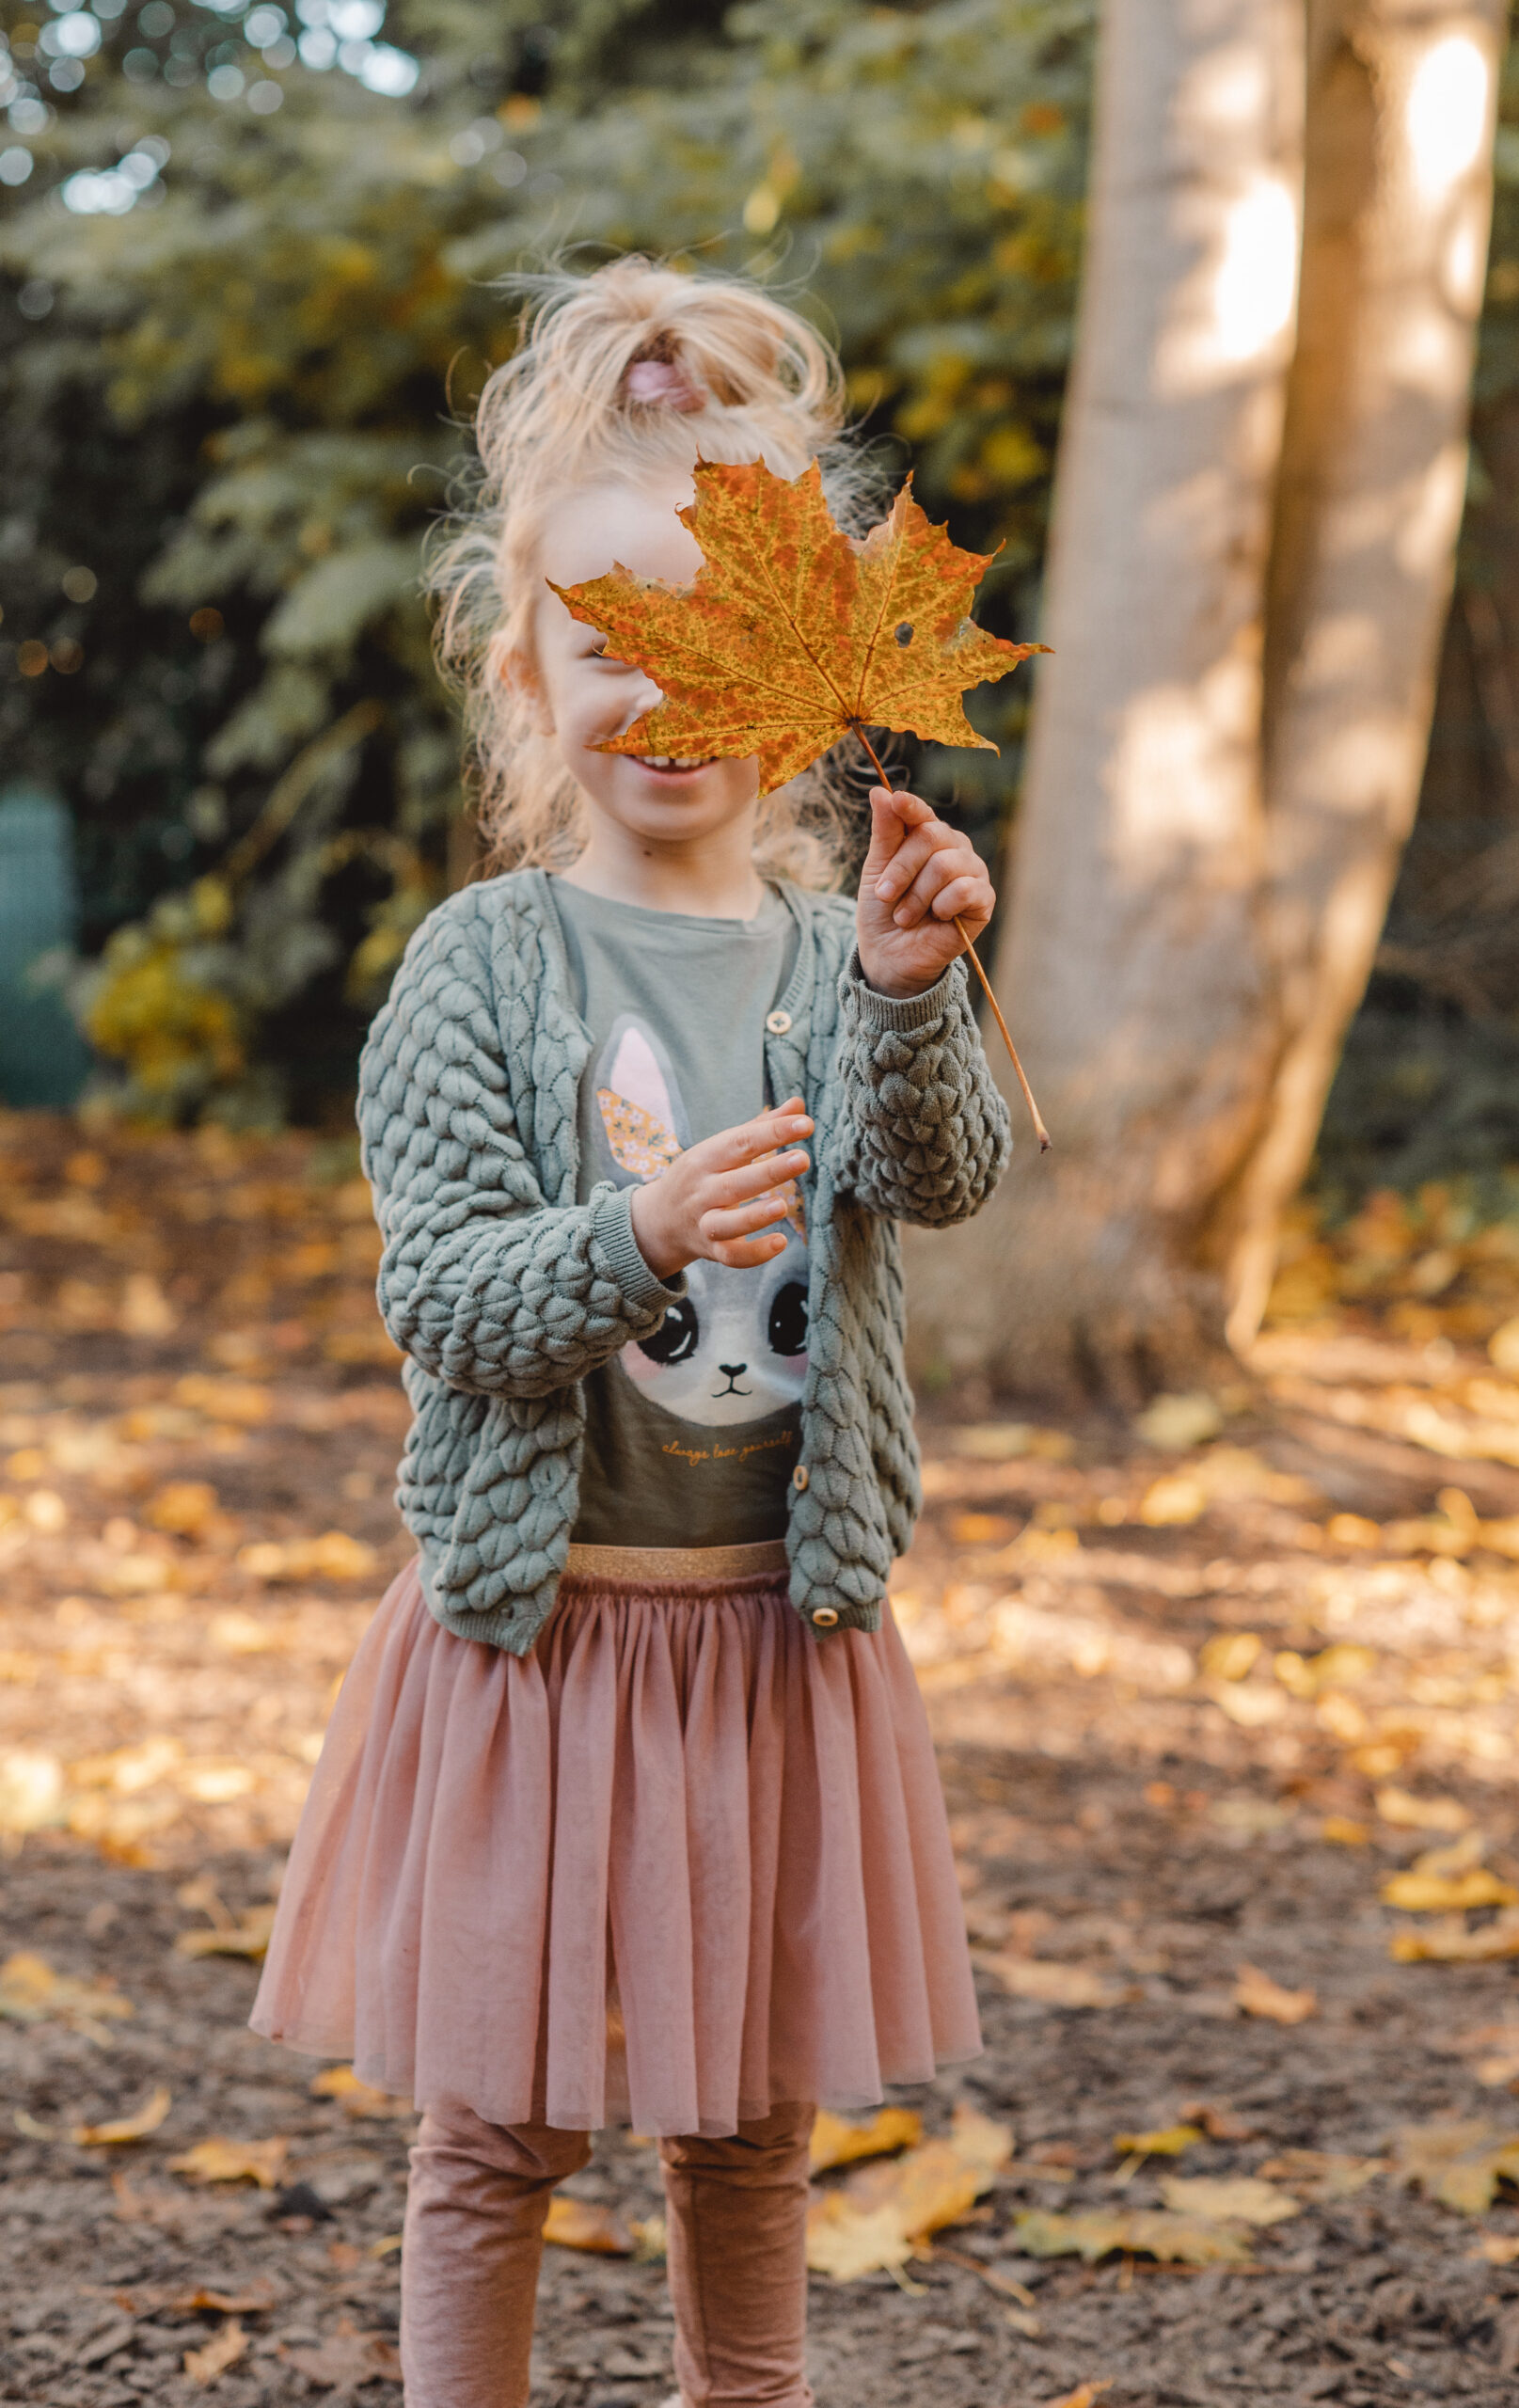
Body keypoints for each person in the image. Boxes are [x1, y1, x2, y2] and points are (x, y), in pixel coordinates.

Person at [251, 255, 1012, 2408]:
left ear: (812, 673)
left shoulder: (822, 940)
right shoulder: (476, 971)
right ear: (525, 667)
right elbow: (446, 1298)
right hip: (541, 1638)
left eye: (722, 649)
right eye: (608, 646)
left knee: (749, 2121)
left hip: (776, 1638)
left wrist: (900, 988)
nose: (664, 698)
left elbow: (931, 1176)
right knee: (497, 2124)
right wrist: (642, 1225)